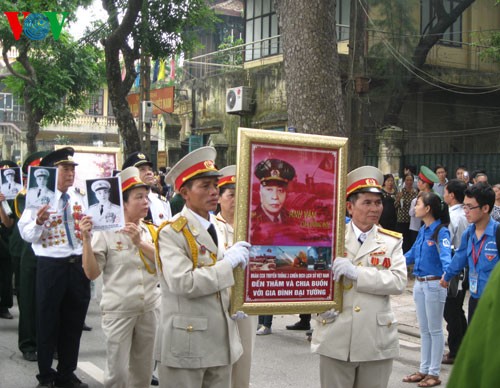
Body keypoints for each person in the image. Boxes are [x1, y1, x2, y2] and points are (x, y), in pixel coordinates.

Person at [155, 146, 250, 388]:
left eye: (214, 185)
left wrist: (237, 301)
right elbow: (184, 282)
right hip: (188, 344)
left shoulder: (216, 227)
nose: (213, 192)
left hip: (221, 342)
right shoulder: (171, 232)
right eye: (204, 186)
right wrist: (227, 265)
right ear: (184, 192)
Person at [311, 166, 407, 388]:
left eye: (378, 202)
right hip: (336, 334)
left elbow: (399, 281)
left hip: (375, 338)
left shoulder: (391, 242)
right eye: (367, 202)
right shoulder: (330, 239)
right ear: (349, 207)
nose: (375, 208)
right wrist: (317, 308)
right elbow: (313, 281)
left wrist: (357, 273)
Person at [80, 167, 160, 388]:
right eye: (139, 197)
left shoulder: (150, 232)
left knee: (143, 373)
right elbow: (92, 273)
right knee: (117, 374)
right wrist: (86, 240)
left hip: (149, 309)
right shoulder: (105, 233)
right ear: (124, 203)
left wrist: (139, 243)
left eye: (147, 197)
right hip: (119, 310)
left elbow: (164, 264)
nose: (146, 202)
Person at [18, 147, 90, 388]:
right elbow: (26, 234)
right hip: (51, 265)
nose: (70, 174)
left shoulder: (80, 196)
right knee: (48, 321)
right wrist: (39, 221)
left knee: (74, 322)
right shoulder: (37, 198)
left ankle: (66, 372)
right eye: (65, 169)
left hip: (78, 265)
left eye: (72, 169)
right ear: (50, 171)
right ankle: (46, 375)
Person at [214, 165, 258, 388]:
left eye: (241, 195)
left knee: (244, 359)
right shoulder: (212, 227)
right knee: (220, 362)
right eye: (231, 195)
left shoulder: (254, 227)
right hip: (218, 301)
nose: (236, 200)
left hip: (247, 302)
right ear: (219, 198)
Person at [403, 192, 451, 387]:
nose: (415, 207)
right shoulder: (423, 230)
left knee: (435, 330)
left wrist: (446, 277)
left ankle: (434, 373)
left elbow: (446, 256)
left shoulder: (441, 231)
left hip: (434, 285)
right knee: (424, 330)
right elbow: (412, 254)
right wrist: (391, 262)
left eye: (419, 204)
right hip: (420, 284)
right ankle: (423, 369)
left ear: (428, 208)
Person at [440, 182, 499, 322]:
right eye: (464, 206)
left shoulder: (497, 233)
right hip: (475, 298)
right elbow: (459, 258)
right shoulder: (468, 234)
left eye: (470, 207)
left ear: (485, 208)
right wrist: (446, 277)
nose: (465, 211)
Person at [445, 261, 500, 388]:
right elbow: (461, 256)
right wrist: (447, 276)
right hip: (476, 295)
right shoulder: (470, 240)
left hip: (488, 293)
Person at [441, 179, 469, 365]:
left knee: (450, 310)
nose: (443, 194)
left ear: (451, 195)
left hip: (454, 266)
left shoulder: (452, 216)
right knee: (457, 309)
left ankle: (455, 350)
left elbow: (448, 242)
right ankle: (464, 344)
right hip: (465, 267)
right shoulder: (466, 214)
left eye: (445, 191)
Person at [122, 152, 172, 225]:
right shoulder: (124, 205)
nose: (149, 172)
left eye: (150, 169)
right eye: (142, 169)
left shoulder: (163, 203)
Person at [251, 158, 295, 224]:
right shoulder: (250, 221)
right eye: (269, 190)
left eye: (280, 190)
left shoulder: (293, 220)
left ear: (286, 193)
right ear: (260, 192)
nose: (275, 197)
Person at [0, 160, 17, 320]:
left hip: (4, 244)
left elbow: (8, 222)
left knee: (5, 276)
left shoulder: (6, 198)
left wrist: (0, 203)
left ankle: (3, 306)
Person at [395, 173, 418, 252]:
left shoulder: (415, 193)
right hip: (401, 220)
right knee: (401, 240)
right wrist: (398, 198)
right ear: (405, 181)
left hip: (411, 221)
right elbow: (395, 206)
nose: (409, 182)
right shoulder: (401, 191)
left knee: (409, 240)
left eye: (410, 180)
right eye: (407, 180)